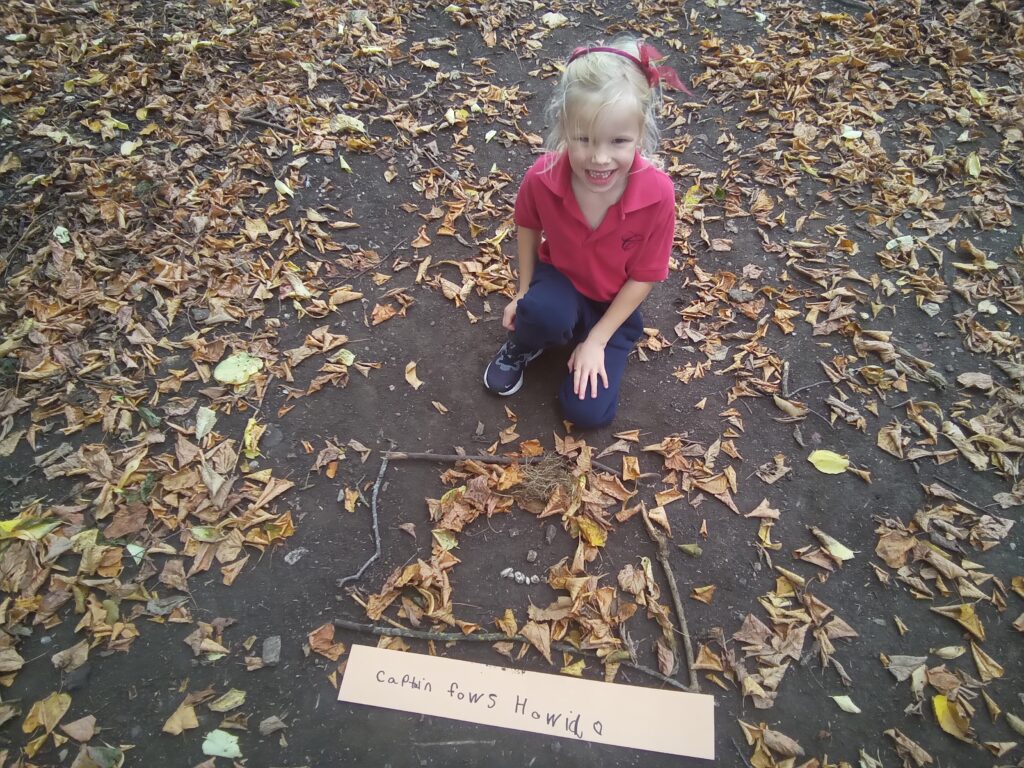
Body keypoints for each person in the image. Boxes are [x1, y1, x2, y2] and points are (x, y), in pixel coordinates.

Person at [483, 37, 686, 429]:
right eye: (583, 139)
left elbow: (645, 275)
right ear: (564, 130)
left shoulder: (658, 195)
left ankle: (585, 344)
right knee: (541, 312)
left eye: (618, 141)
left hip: (610, 307)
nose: (599, 158)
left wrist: (597, 340)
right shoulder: (542, 177)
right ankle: (525, 344)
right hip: (559, 283)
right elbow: (528, 224)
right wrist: (523, 290)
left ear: (641, 134)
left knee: (587, 415)